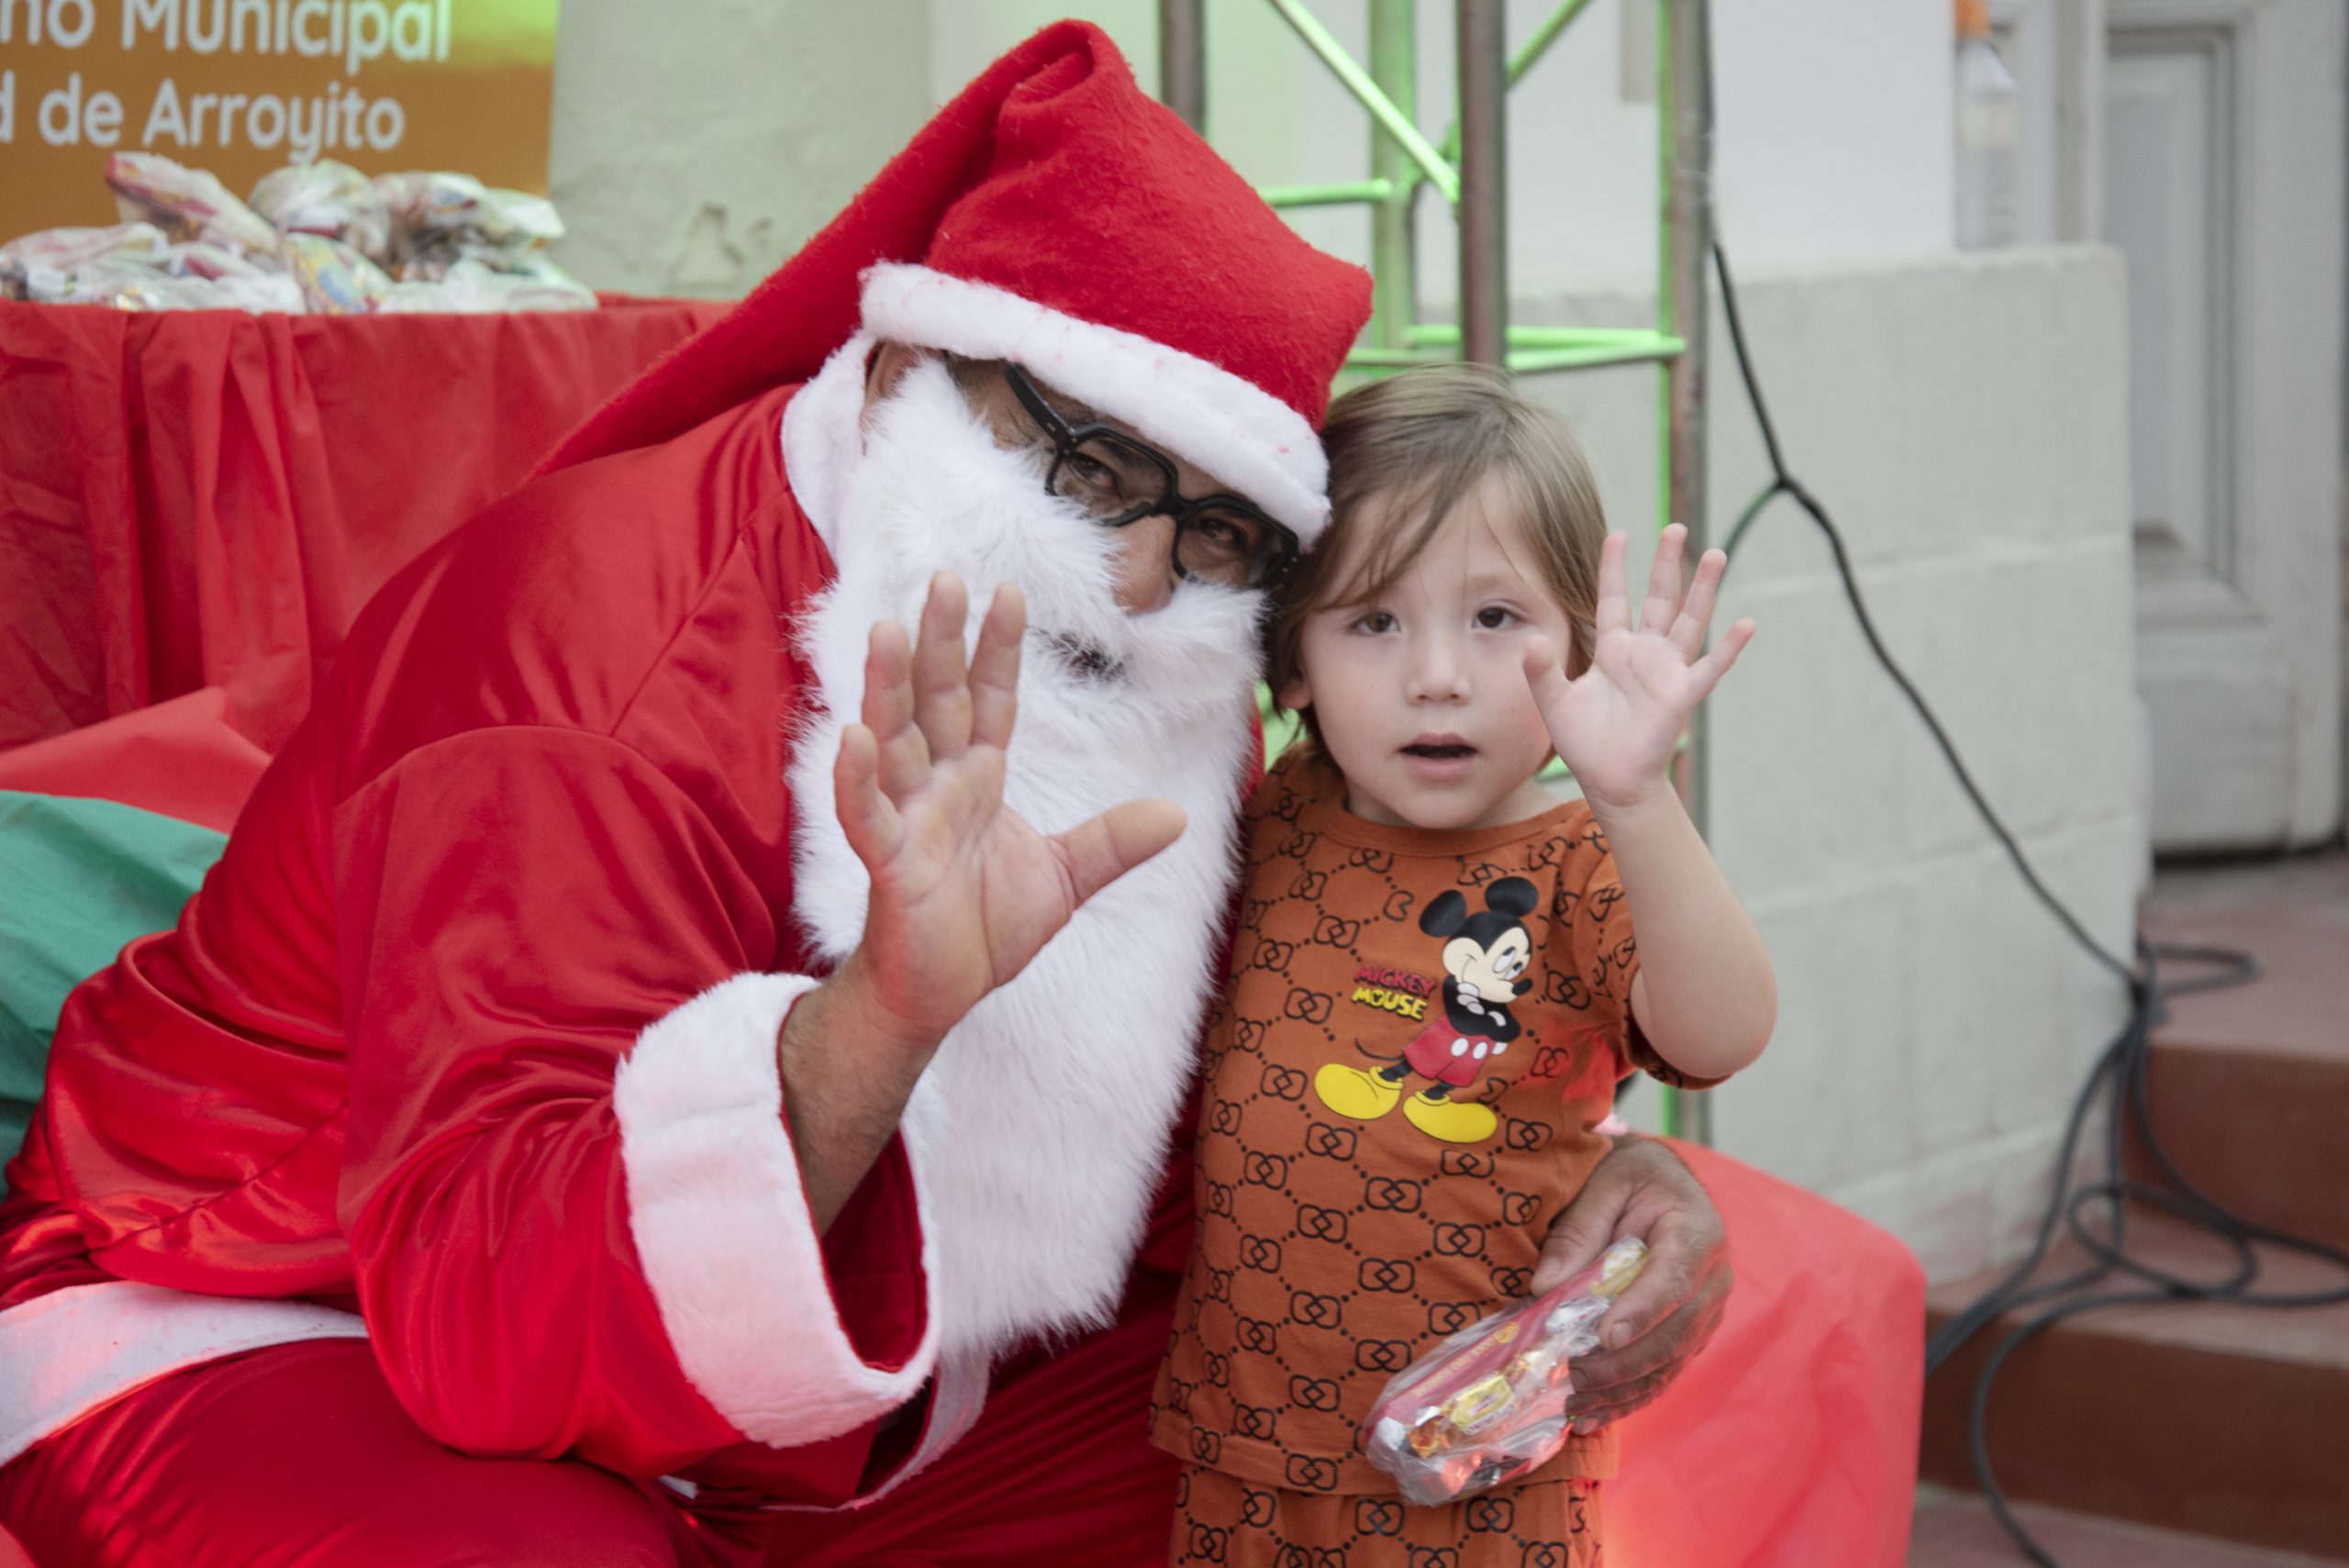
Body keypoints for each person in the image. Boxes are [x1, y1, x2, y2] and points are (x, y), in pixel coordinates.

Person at [0, 24, 1741, 1568]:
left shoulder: (1150, 650)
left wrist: (1577, 1197)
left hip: (846, 1376)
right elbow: (485, 1333)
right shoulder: (591, 665)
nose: (1137, 576)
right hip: (291, 1303)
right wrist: (886, 1017)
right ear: (910, 371)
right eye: (1094, 466)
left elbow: (1237, 1120)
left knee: (1339, 1464)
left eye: (1216, 528)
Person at [1151, 368, 1774, 1566]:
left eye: (1496, 619)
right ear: (1293, 668)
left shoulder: (1584, 856)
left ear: (1578, 653)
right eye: (1374, 620)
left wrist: (1638, 800)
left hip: (1481, 1464)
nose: (1437, 673)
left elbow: (1720, 1035)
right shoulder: (1282, 816)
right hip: (1245, 1450)